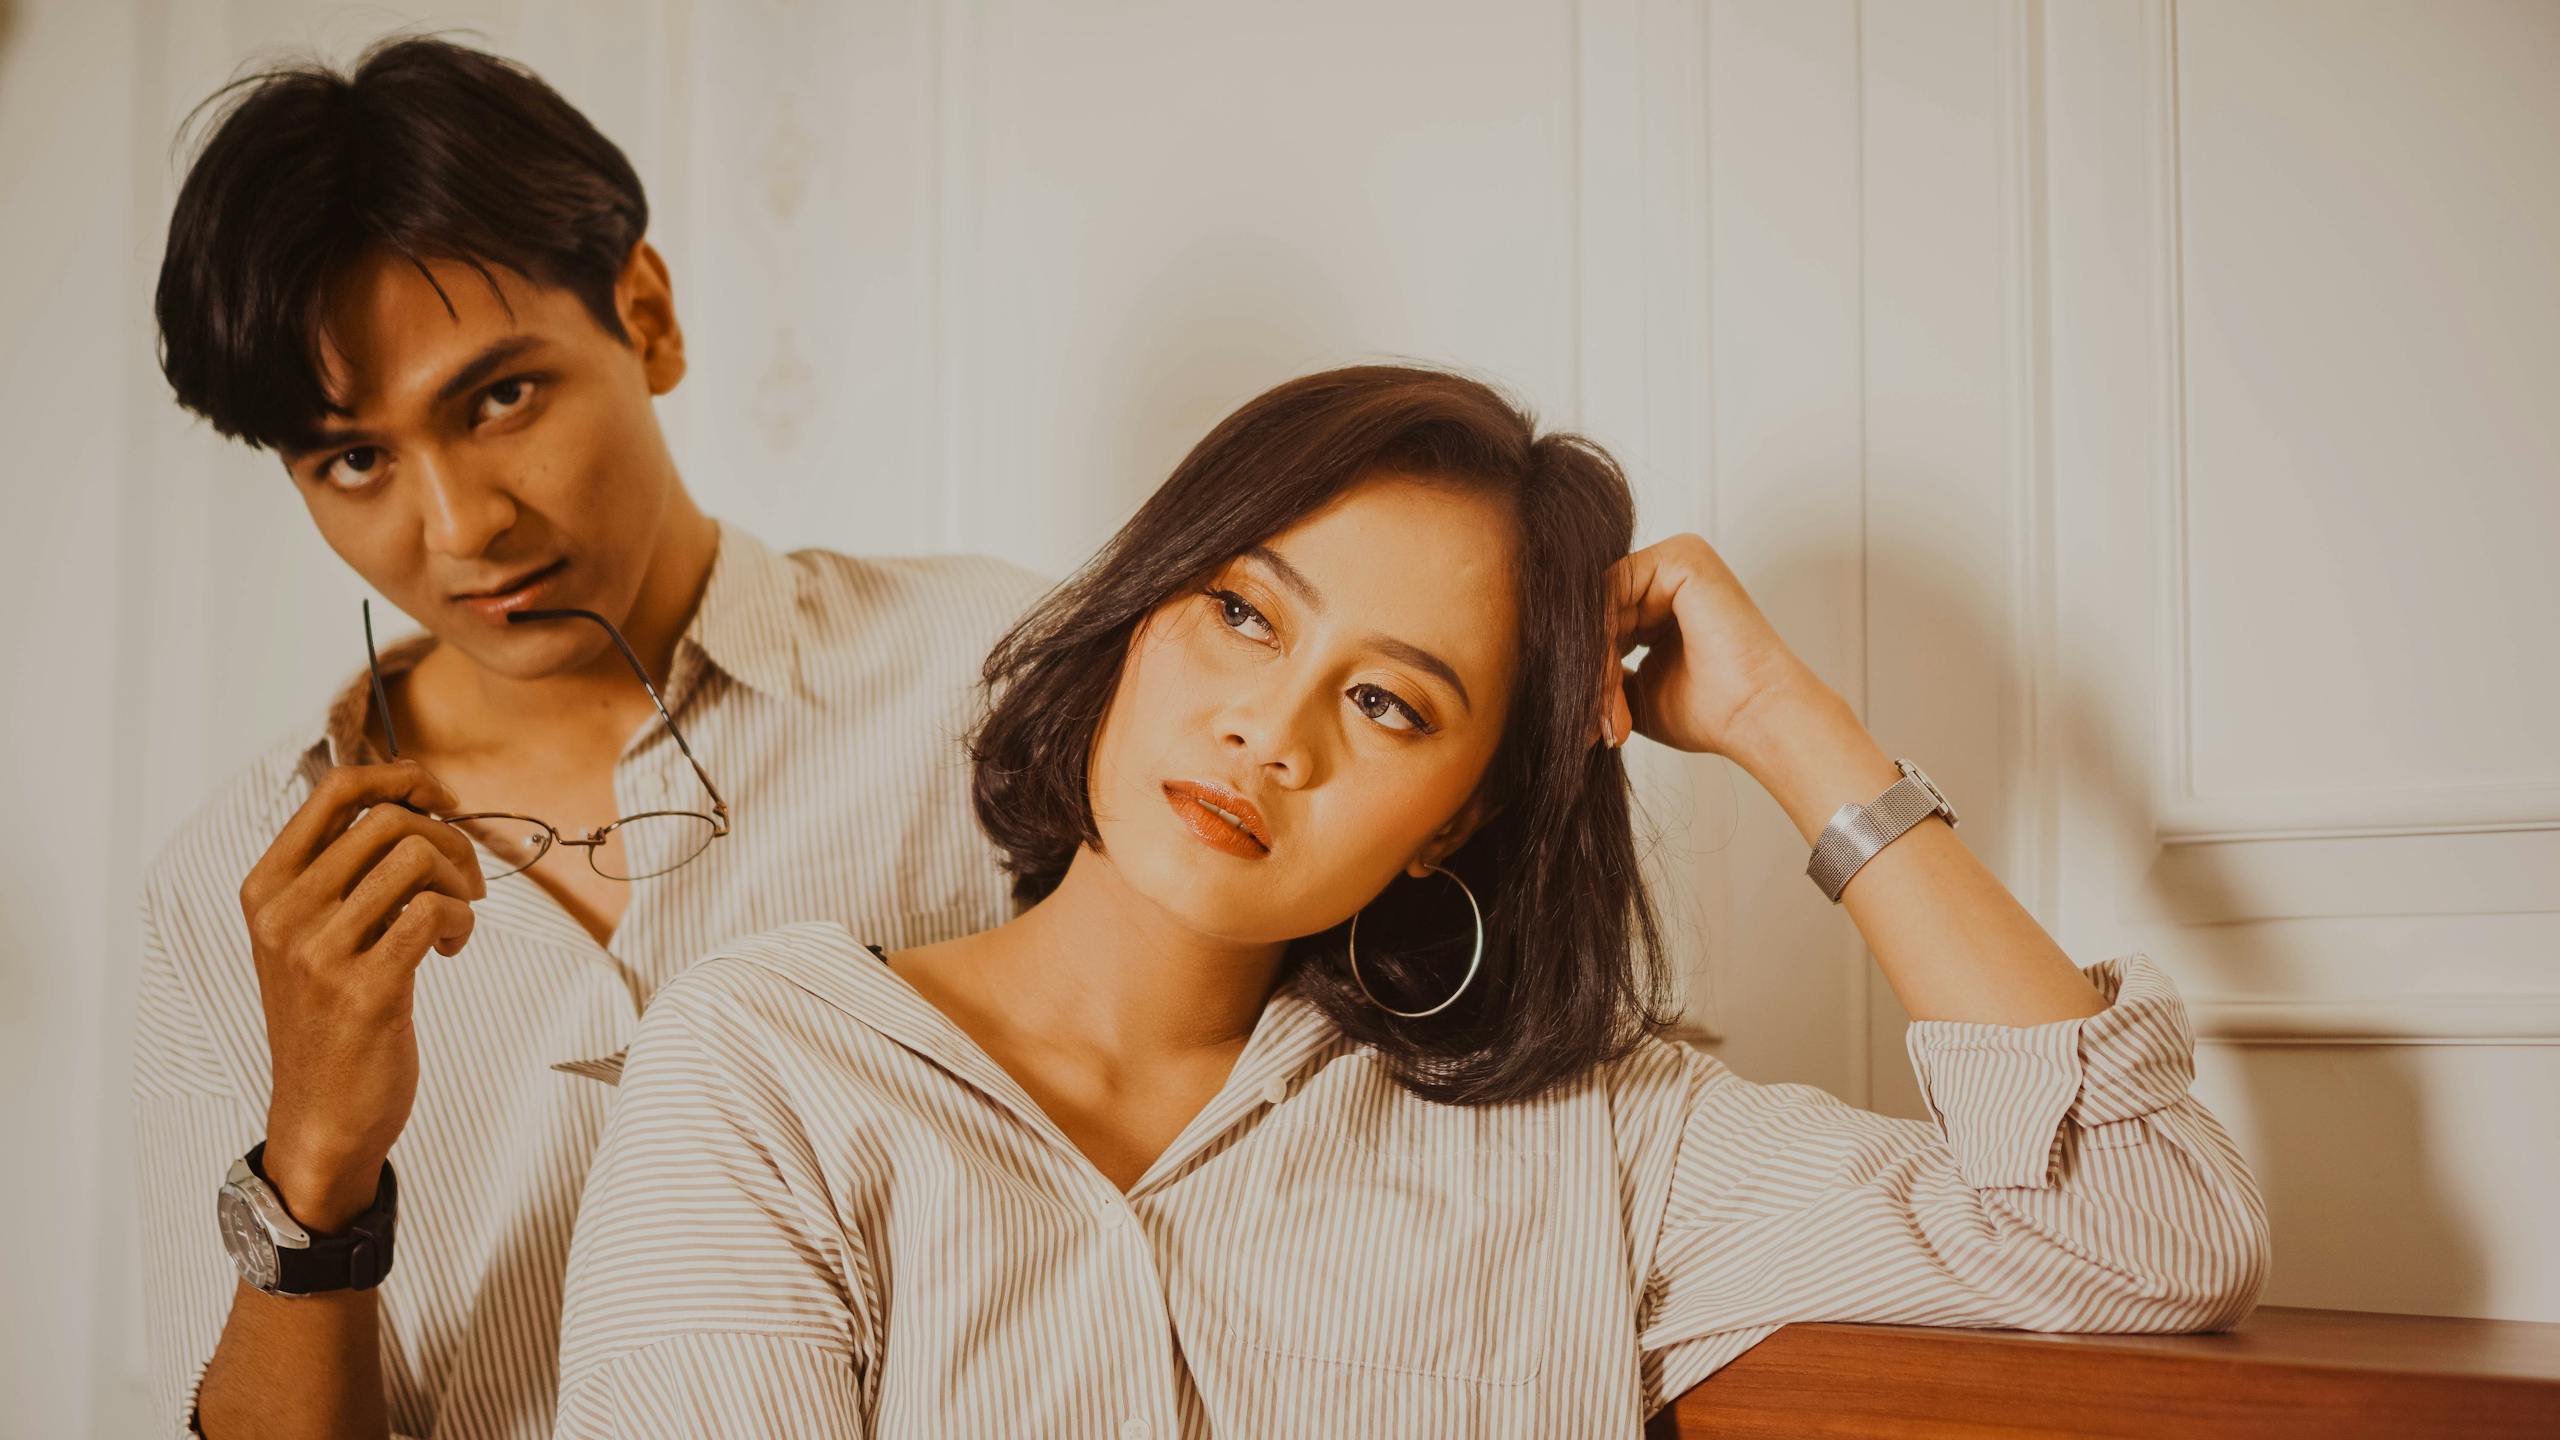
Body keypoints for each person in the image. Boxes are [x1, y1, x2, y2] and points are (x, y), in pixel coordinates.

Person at [552, 365, 2271, 1437]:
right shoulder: (770, 1071)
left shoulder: (1592, 1140)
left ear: (1457, 819)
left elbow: (2144, 1230)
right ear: (1139, 615)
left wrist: (1782, 724)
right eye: (1243, 613)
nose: (1271, 730)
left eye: (1388, 703)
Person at [134, 36, 1045, 1440]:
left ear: (649, 317)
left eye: (499, 398)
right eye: (356, 460)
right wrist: (315, 1160)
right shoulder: (227, 892)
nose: (462, 528)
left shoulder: (996, 683)